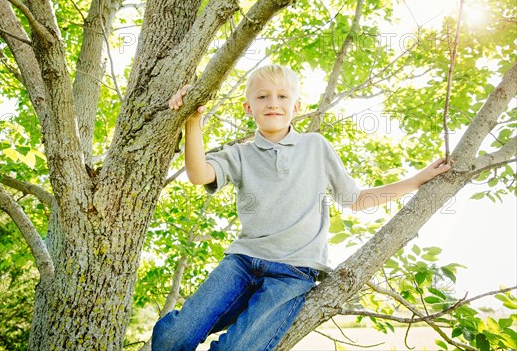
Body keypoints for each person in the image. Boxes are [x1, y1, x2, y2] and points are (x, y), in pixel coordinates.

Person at [152, 64, 451, 351]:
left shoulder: (316, 146)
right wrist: (192, 121)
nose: (273, 103)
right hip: (242, 263)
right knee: (172, 340)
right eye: (262, 96)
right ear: (248, 107)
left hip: (292, 273)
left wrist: (417, 180)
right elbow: (199, 174)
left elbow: (355, 199)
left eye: (282, 96)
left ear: (296, 107)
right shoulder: (239, 155)